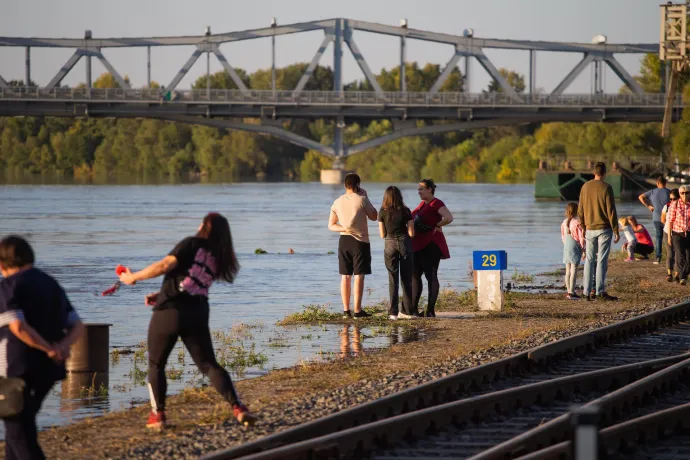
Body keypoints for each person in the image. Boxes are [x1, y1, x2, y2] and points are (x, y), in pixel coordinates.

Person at [118, 213, 256, 429]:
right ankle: (238, 407)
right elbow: (193, 280)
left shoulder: (192, 243)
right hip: (197, 312)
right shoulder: (219, 255)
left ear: (204, 226)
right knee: (208, 365)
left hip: (170, 312)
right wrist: (161, 292)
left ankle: (158, 416)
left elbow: (165, 265)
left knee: (156, 364)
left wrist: (132, 277)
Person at [0, 235, 85, 459]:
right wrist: (60, 348)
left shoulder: (9, 286)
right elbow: (77, 326)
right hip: (48, 370)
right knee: (16, 430)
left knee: (19, 434)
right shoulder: (50, 283)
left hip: (18, 370)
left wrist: (47, 347)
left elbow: (18, 327)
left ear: (2, 264)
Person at [328, 173, 378, 319]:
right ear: (358, 185)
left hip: (344, 241)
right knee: (359, 276)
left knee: (345, 276)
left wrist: (344, 228)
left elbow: (331, 225)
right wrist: (366, 197)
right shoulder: (362, 199)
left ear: (345, 185)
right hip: (360, 241)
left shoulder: (337, 202)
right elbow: (374, 216)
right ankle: (357, 310)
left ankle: (345, 311)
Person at [577, 162, 620, 301]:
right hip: (605, 229)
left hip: (589, 228)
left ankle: (586, 292)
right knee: (601, 260)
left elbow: (580, 208)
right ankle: (599, 291)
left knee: (589, 260)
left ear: (593, 172)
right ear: (604, 173)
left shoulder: (585, 186)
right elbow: (611, 210)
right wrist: (616, 229)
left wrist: (583, 226)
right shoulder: (607, 187)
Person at [411, 179, 453, 317]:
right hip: (418, 245)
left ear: (430, 189)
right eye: (418, 189)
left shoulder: (436, 203)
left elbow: (449, 217)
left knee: (431, 276)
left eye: (422, 189)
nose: (419, 191)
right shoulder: (423, 204)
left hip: (431, 245)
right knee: (415, 276)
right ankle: (413, 309)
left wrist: (437, 225)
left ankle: (430, 310)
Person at [378, 186, 416, 320]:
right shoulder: (406, 211)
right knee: (406, 279)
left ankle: (393, 313)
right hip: (405, 244)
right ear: (400, 197)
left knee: (393, 279)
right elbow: (411, 233)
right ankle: (406, 311)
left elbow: (382, 234)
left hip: (389, 245)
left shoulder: (382, 212)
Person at [639, 176, 671, 264]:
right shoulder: (669, 192)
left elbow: (641, 197)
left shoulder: (652, 192)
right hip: (667, 219)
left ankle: (658, 257)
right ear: (665, 183)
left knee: (658, 237)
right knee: (669, 237)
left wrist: (649, 206)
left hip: (656, 218)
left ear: (657, 183)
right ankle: (671, 256)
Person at [561, 202, 585, 300]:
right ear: (576, 211)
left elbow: (563, 237)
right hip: (575, 246)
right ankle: (572, 292)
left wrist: (565, 245)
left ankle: (568, 291)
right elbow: (581, 238)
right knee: (574, 269)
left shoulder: (564, 222)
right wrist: (583, 248)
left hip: (566, 246)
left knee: (567, 270)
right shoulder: (577, 222)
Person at [667, 184, 690, 285]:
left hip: (689, 233)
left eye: (687, 193)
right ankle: (682, 277)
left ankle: (684, 275)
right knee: (680, 255)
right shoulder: (675, 204)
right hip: (677, 233)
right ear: (679, 194)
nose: (684, 195)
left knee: (689, 257)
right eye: (682, 193)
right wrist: (669, 236)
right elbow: (670, 221)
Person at [661, 188, 680, 282]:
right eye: (670, 199)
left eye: (674, 199)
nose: (672, 201)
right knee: (670, 253)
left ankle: (677, 274)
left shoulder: (683, 208)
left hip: (678, 232)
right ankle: (669, 274)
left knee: (678, 254)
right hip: (667, 231)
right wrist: (669, 225)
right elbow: (662, 219)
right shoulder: (667, 206)